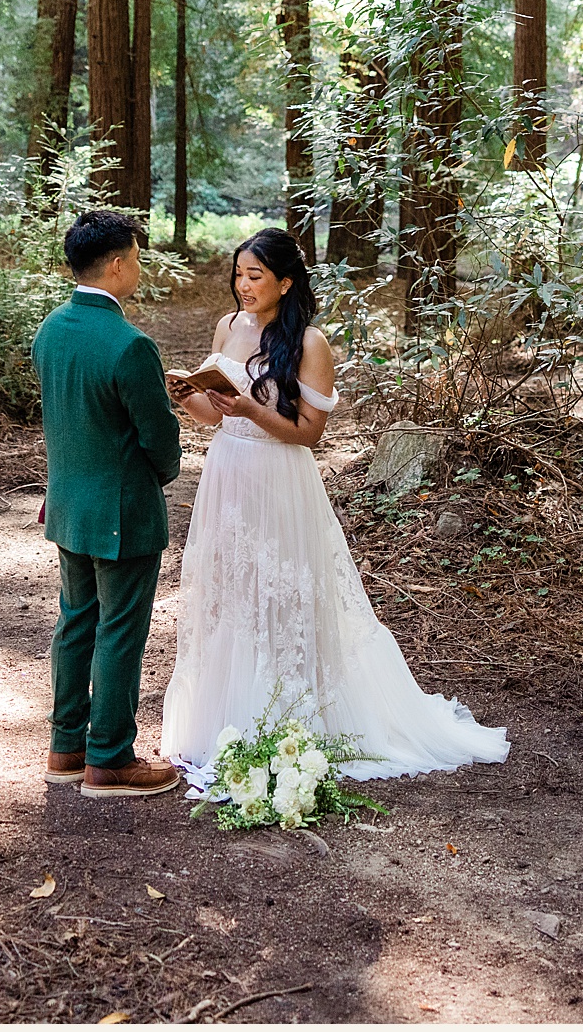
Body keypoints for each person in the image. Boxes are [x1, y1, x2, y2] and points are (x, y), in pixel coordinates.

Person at [161, 227, 508, 782]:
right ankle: (227, 717)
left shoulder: (310, 343)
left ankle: (294, 714)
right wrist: (191, 399)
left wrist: (250, 412)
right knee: (233, 591)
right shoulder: (228, 327)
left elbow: (306, 434)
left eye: (255, 276)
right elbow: (215, 415)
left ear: (285, 282)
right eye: (238, 274)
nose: (242, 285)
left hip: (279, 479)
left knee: (284, 590)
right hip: (227, 474)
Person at [33, 210, 184, 799]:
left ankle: (66, 747)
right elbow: (158, 438)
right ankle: (111, 758)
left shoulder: (51, 329)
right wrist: (165, 469)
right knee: (119, 630)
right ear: (117, 263)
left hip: (69, 505)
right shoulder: (129, 345)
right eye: (137, 258)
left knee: (75, 623)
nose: (139, 268)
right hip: (122, 513)